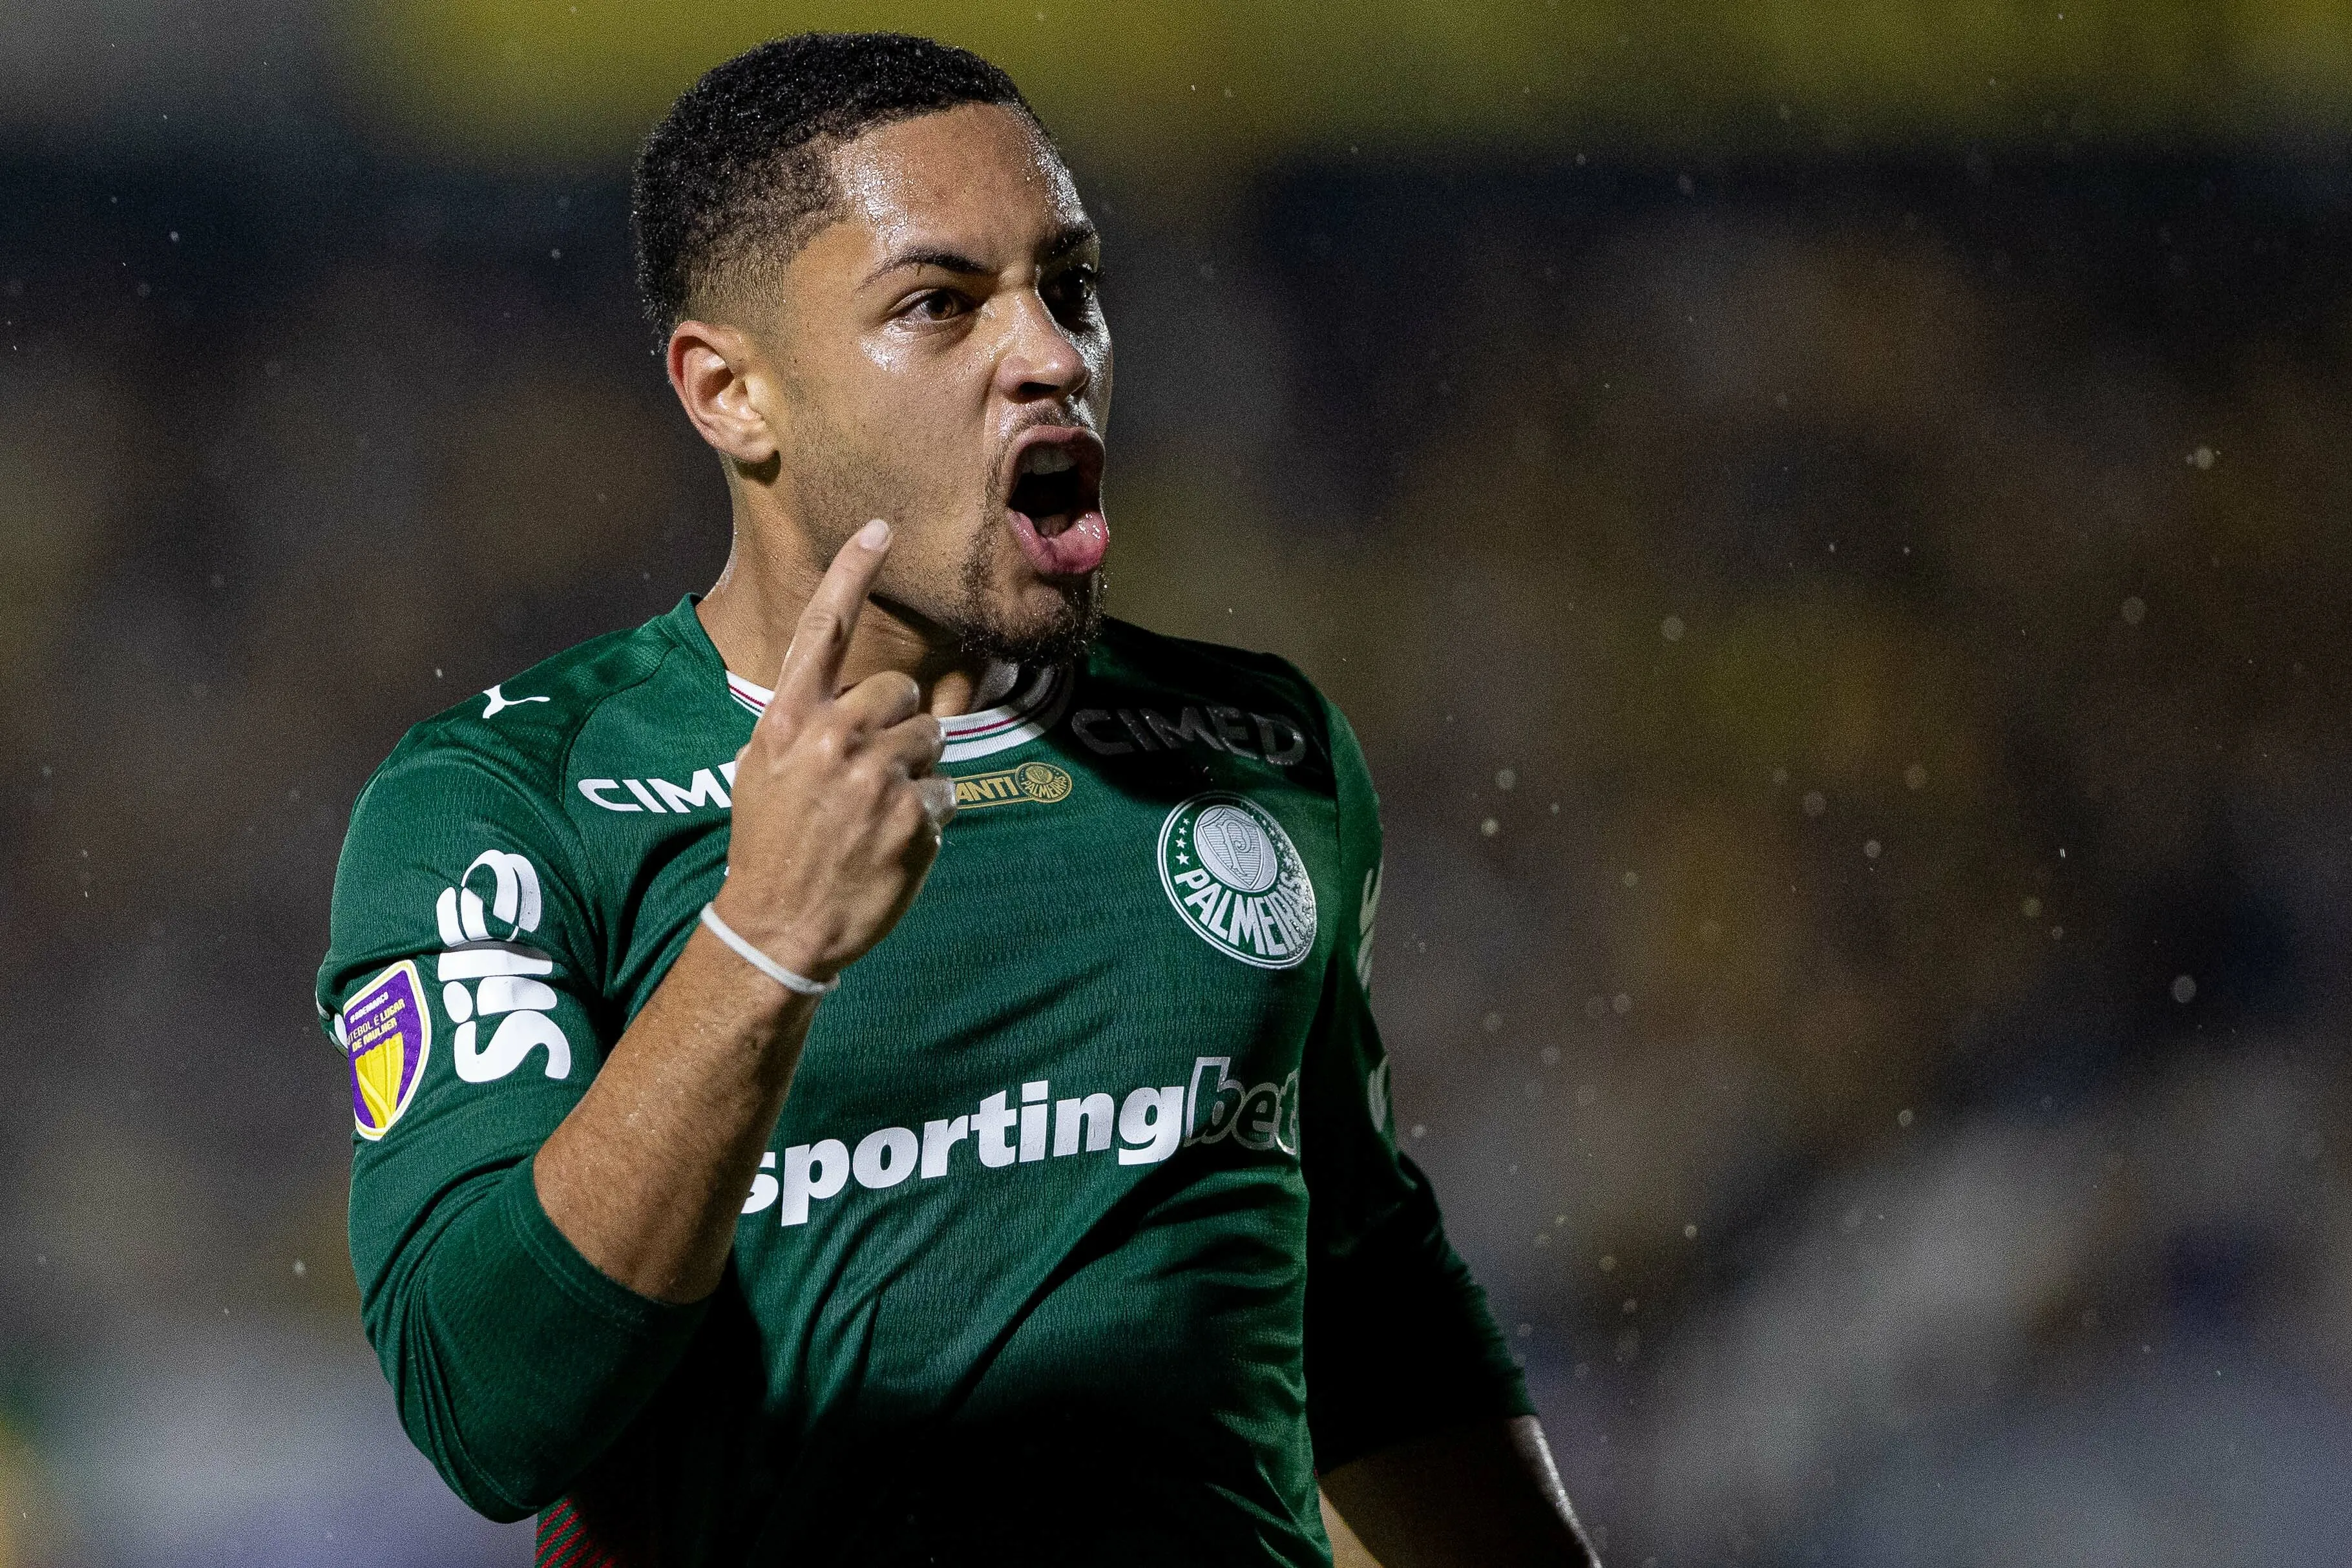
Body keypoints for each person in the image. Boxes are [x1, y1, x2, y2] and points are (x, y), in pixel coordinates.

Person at [317, 32, 1599, 1568]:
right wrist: (762, 942)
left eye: (1069, 283)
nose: (1052, 354)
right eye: (938, 304)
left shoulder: (1258, 747)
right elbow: (489, 1403)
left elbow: (1363, 1301)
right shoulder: (506, 800)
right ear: (732, 393)